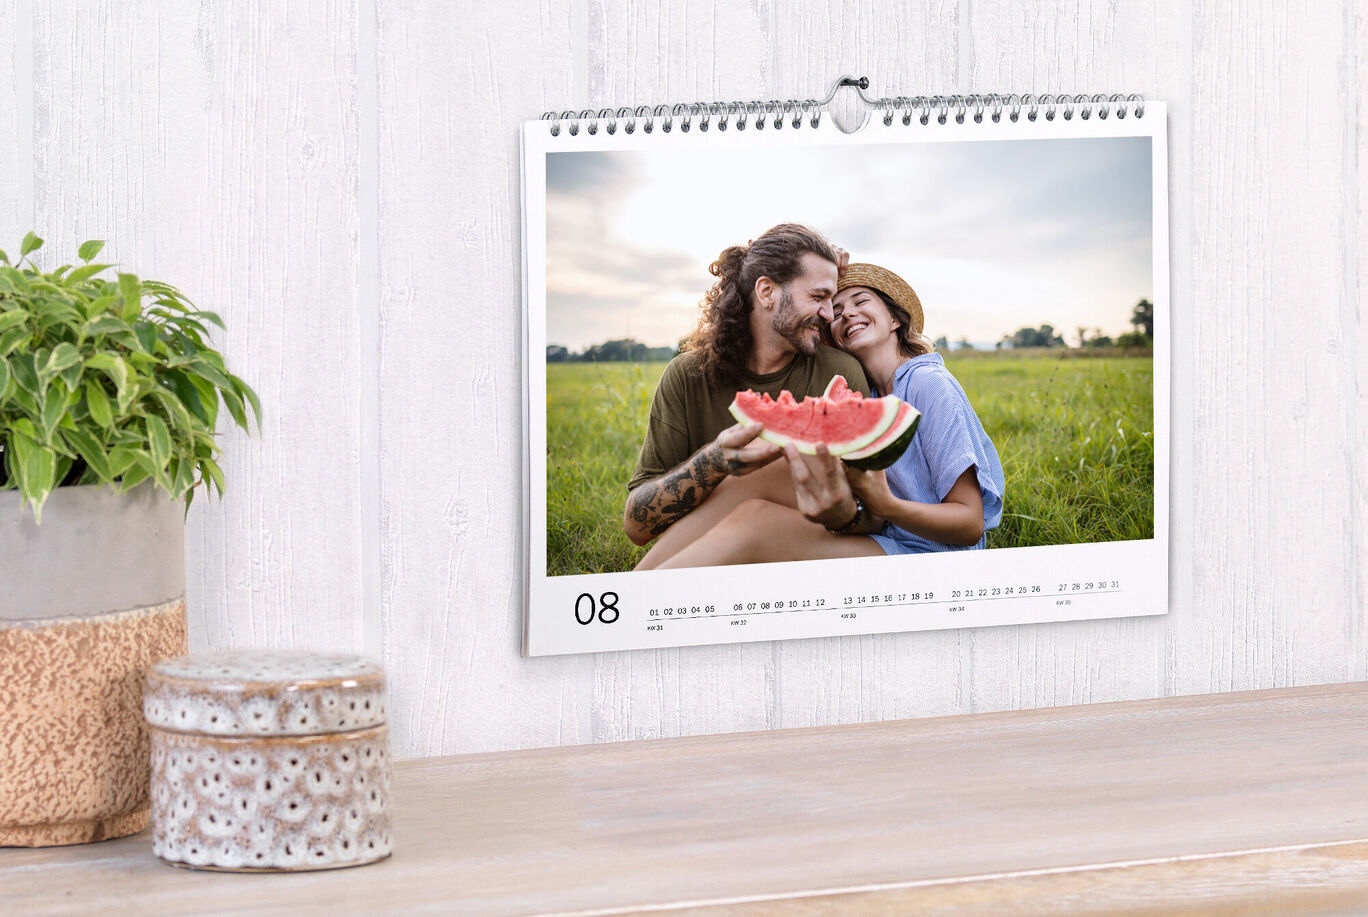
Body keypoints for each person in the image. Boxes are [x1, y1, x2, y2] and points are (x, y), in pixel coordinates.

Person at [644, 261, 1005, 569]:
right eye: (838, 309)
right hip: (886, 538)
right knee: (756, 487)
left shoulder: (928, 382)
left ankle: (638, 607)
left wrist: (887, 505)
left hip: (932, 559)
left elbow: (970, 523)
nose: (847, 312)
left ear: (895, 319)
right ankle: (634, 585)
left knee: (754, 527)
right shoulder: (870, 395)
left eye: (861, 301)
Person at [623, 224, 870, 554]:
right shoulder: (686, 376)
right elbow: (637, 526)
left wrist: (846, 514)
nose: (828, 313)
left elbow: (874, 509)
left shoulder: (840, 372)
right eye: (818, 296)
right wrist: (713, 462)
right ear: (766, 292)